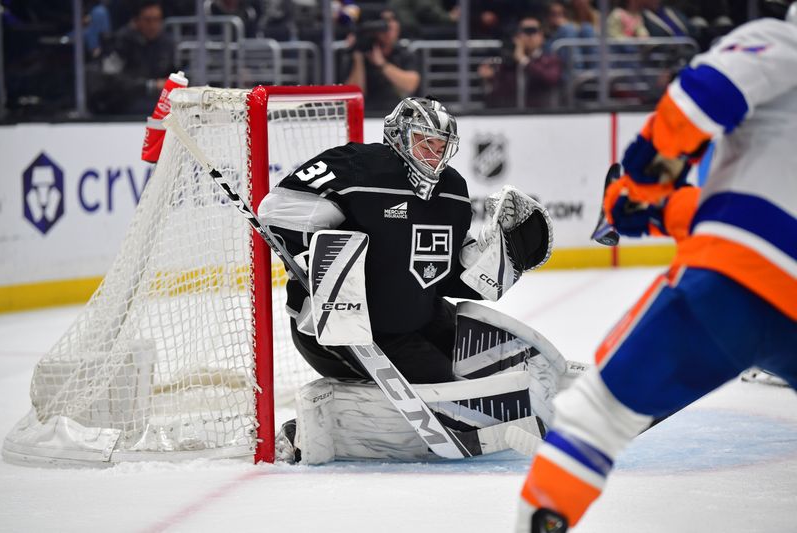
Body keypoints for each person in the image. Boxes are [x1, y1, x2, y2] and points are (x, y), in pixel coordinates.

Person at [515, 8, 797, 532]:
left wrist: (643, 185)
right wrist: (659, 212)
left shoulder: (782, 41)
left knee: (594, 416)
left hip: (731, 287)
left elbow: (701, 99)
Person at [258, 96, 558, 464]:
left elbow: (445, 274)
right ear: (399, 137)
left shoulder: (452, 189)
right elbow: (276, 210)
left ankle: (537, 400)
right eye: (424, 141)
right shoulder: (357, 166)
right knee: (445, 398)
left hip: (417, 315)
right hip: (347, 329)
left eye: (441, 145)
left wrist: (499, 259)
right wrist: (318, 261)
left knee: (484, 359)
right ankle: (307, 430)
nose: (433, 153)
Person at [90, 0, 176, 115]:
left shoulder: (166, 43)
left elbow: (173, 71)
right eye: (147, 20)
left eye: (157, 20)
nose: (153, 25)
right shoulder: (121, 42)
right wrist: (150, 85)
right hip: (123, 102)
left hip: (157, 99)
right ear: (136, 21)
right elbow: (111, 79)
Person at [343, 10, 420, 112]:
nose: (389, 26)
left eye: (392, 21)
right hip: (366, 113)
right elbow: (354, 94)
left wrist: (382, 65)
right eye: (384, 22)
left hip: (396, 113)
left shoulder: (402, 53)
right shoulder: (362, 52)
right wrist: (358, 56)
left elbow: (411, 85)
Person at [478, 16, 562, 108]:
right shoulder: (508, 64)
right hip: (514, 116)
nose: (530, 36)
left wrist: (523, 60)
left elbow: (550, 80)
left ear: (542, 36)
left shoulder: (551, 60)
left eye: (533, 31)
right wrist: (489, 80)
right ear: (517, 36)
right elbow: (498, 97)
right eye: (525, 31)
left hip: (541, 115)